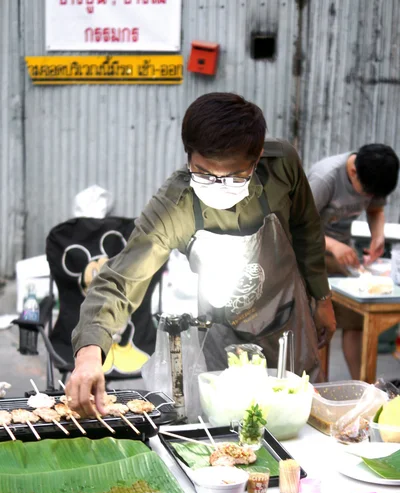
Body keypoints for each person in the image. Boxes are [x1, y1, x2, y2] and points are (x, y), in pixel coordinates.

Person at [67, 92, 336, 417]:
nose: (219, 185)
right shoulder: (174, 206)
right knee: (234, 420)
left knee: (299, 413)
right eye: (205, 173)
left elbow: (307, 229)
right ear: (188, 157)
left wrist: (322, 298)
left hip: (289, 318)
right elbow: (119, 282)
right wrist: (89, 355)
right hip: (225, 325)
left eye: (235, 175)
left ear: (257, 157)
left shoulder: (282, 166)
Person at [308, 144, 399, 379]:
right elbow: (296, 225)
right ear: (353, 173)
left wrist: (378, 236)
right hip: (307, 255)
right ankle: (319, 391)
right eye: (366, 193)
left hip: (341, 256)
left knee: (355, 322)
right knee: (317, 324)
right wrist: (333, 245)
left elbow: (376, 210)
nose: (369, 198)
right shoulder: (324, 177)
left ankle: (364, 387)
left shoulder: (376, 173)